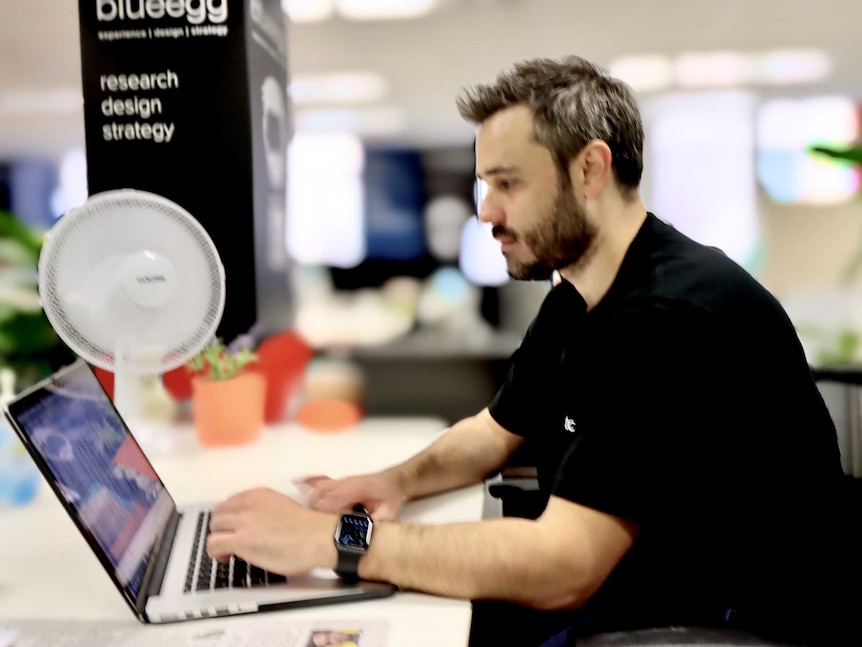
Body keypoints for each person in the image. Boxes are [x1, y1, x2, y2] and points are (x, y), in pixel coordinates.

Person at [207, 56, 858, 646]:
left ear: (590, 169)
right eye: (484, 184)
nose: (486, 211)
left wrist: (334, 541)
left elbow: (563, 567)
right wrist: (393, 482)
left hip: (716, 625)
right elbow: (496, 431)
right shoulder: (581, 290)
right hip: (638, 592)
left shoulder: (665, 317)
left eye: (507, 183)